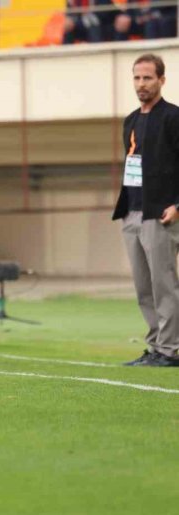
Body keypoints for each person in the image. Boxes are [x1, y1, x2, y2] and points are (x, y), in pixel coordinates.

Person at [114, 54, 179, 367]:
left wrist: (177, 205)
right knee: (143, 286)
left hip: (161, 212)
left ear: (161, 80)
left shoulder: (173, 117)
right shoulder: (131, 120)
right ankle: (155, 346)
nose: (141, 84)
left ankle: (171, 349)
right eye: (137, 78)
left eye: (148, 78)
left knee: (163, 284)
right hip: (133, 211)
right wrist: (127, 208)